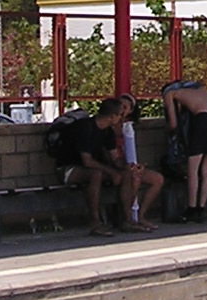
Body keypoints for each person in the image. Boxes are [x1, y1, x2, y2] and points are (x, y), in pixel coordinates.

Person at [66, 94, 162, 235]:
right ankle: (95, 222)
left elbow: (115, 157)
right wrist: (111, 172)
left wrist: (128, 167)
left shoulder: (107, 131)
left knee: (127, 174)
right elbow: (87, 161)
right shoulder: (86, 127)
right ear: (112, 116)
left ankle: (127, 220)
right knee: (96, 174)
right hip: (70, 168)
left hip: (97, 167)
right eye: (119, 115)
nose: (121, 119)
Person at [165, 79, 207, 223]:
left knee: (193, 169)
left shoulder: (171, 93)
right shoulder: (200, 89)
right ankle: (201, 207)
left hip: (202, 121)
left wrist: (171, 133)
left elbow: (173, 124)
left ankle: (191, 207)